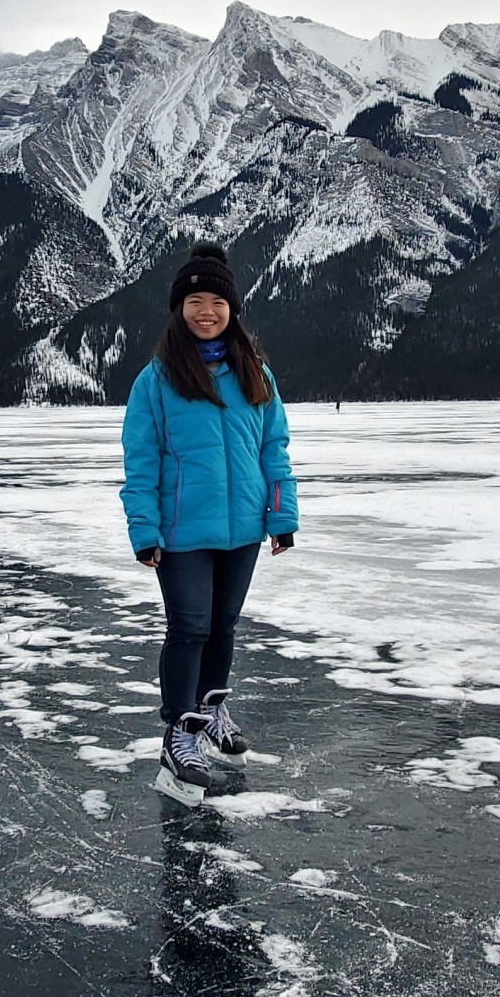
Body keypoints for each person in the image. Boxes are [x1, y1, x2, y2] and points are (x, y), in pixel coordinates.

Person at [120, 242, 299, 807]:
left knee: (223, 627)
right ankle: (179, 732)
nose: (206, 310)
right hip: (181, 532)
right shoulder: (157, 380)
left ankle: (213, 709)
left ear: (232, 308)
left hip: (243, 529)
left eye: (216, 301)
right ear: (179, 309)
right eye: (195, 300)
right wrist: (144, 528)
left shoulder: (256, 373)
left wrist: (281, 515)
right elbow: (141, 459)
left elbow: (275, 450)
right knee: (190, 627)